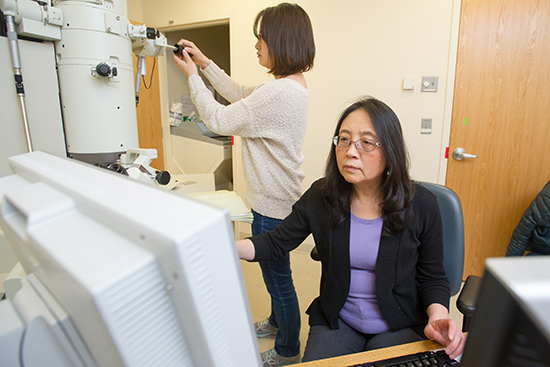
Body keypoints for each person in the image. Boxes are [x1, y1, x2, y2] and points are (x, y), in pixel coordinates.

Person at [237, 96, 467, 362]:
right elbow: (276, 242)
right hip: (338, 320)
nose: (350, 151)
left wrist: (438, 315)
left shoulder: (422, 205)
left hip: (399, 322)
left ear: (390, 150)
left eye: (366, 143)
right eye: (343, 139)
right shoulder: (321, 196)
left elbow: (433, 276)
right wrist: (229, 247)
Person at [173, 3, 315, 366]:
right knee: (275, 274)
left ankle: (287, 350)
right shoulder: (291, 87)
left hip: (272, 206)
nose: (257, 46)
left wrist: (191, 77)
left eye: (261, 39)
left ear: (281, 41)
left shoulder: (279, 94)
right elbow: (237, 91)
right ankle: (274, 322)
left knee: (279, 280)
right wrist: (204, 64)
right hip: (280, 199)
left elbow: (220, 118)